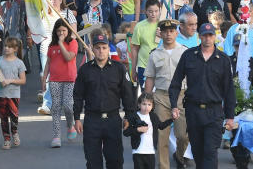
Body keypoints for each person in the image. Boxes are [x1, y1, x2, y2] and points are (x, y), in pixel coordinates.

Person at [169, 23, 237, 169]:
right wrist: (174, 105)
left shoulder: (223, 59)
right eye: (204, 35)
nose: (207, 38)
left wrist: (230, 116)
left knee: (210, 152)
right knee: (198, 153)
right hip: (193, 112)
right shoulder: (188, 56)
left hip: (214, 113)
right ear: (199, 36)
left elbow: (229, 90)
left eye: (210, 35)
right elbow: (175, 83)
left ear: (214, 37)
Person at [73, 30, 136, 169]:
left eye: (104, 47)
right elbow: (78, 95)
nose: (101, 51)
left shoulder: (119, 69)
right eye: (97, 48)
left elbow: (127, 94)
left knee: (115, 160)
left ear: (109, 49)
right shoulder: (85, 70)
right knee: (92, 161)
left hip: (113, 120)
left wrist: (129, 116)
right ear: (92, 49)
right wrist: (76, 118)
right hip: (92, 120)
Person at [142, 20, 189, 169]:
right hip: (161, 97)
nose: (168, 34)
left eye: (171, 31)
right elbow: (150, 77)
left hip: (182, 97)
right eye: (165, 31)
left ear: (176, 33)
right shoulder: (154, 54)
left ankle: (180, 156)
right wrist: (147, 100)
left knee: (183, 135)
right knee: (162, 135)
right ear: (160, 34)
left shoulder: (185, 52)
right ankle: (164, 166)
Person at [42, 19, 78, 148]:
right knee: (56, 107)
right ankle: (56, 136)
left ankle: (70, 125)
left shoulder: (73, 42)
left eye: (64, 30)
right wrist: (44, 77)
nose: (61, 33)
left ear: (68, 30)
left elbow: (68, 57)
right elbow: (48, 62)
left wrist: (62, 43)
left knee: (68, 105)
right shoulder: (52, 46)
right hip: (54, 79)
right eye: (58, 31)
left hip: (69, 78)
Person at [0, 37, 26, 150]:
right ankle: (7, 139)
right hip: (1, 94)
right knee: (3, 118)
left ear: (15, 49)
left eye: (10, 46)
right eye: (5, 46)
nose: (7, 48)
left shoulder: (19, 63)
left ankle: (15, 133)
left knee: (14, 116)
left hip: (14, 94)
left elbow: (23, 80)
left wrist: (10, 81)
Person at [125, 92, 175, 169]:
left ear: (152, 106)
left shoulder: (153, 116)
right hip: (138, 151)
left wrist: (172, 119)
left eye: (149, 105)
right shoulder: (133, 116)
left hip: (150, 151)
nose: (146, 107)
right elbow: (126, 132)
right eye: (144, 104)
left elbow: (161, 126)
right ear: (139, 104)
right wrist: (138, 129)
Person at [130, 0, 162, 88]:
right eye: (150, 11)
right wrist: (133, 69)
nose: (153, 14)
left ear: (160, 11)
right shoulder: (139, 26)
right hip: (144, 65)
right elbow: (135, 48)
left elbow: (171, 44)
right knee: (146, 95)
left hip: (161, 65)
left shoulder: (163, 25)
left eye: (156, 11)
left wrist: (163, 36)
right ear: (145, 11)